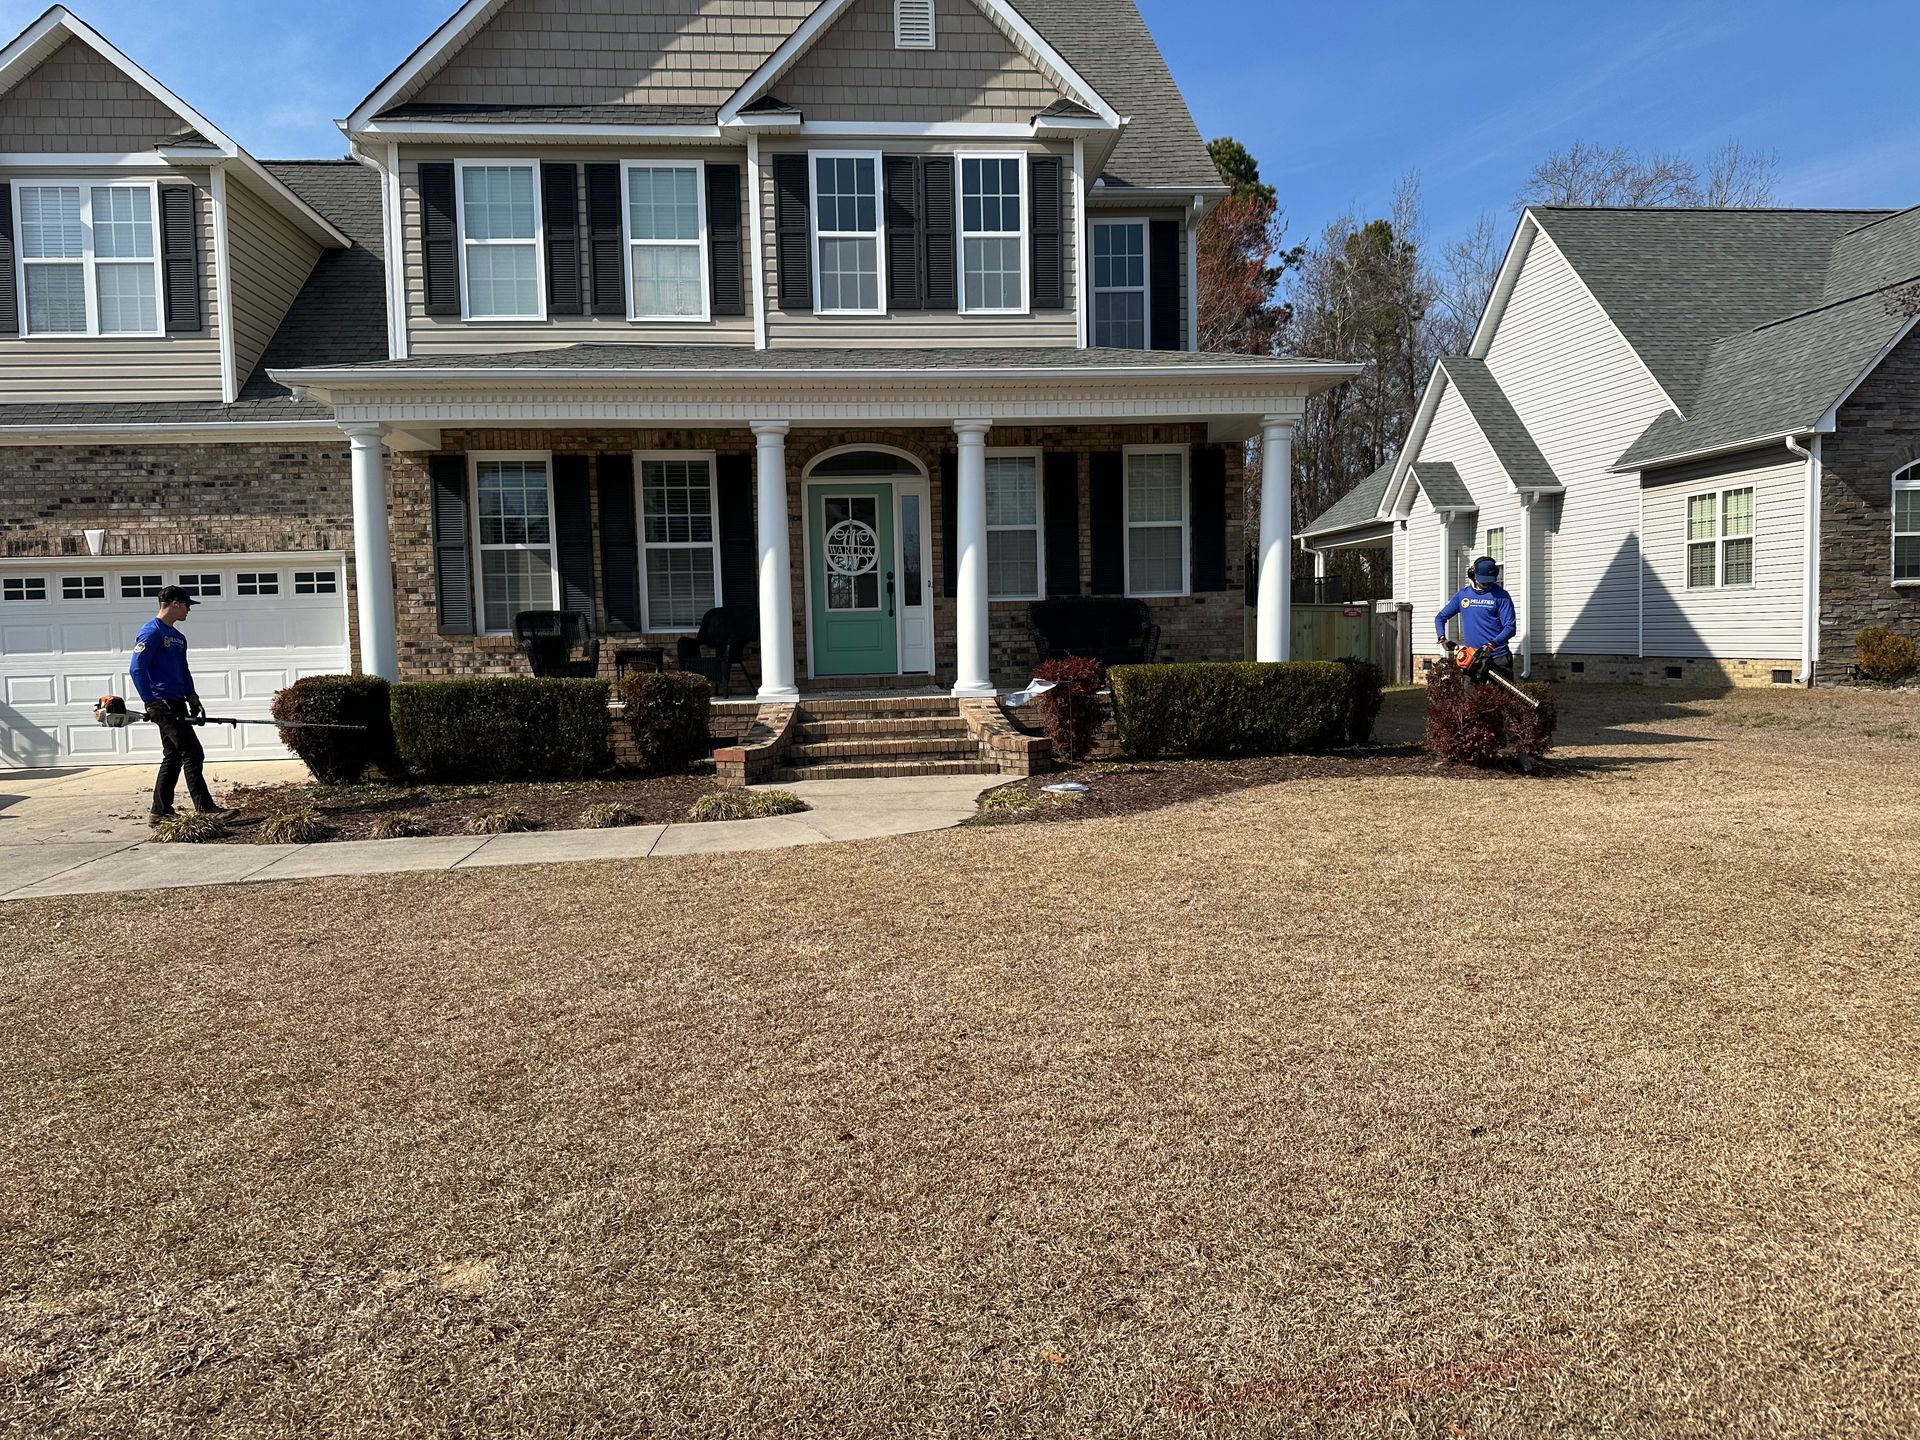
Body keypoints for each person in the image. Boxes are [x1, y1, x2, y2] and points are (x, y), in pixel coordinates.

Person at [129, 585, 223, 825]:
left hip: (178, 701)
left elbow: (183, 671)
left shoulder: (179, 638)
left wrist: (192, 697)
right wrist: (151, 702)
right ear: (175, 603)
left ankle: (160, 812)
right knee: (192, 752)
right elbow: (136, 669)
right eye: (187, 605)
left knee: (173, 755)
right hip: (162, 703)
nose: (189, 610)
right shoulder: (151, 632)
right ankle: (206, 809)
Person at [1435, 556, 1518, 682]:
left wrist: (1492, 644)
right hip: (1472, 660)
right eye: (1484, 581)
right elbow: (1440, 617)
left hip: (1498, 657)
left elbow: (1510, 628)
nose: (1487, 585)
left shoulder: (1502, 596)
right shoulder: (1463, 596)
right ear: (1472, 574)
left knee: (1502, 700)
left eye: (1490, 581)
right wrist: (1442, 638)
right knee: (1470, 700)